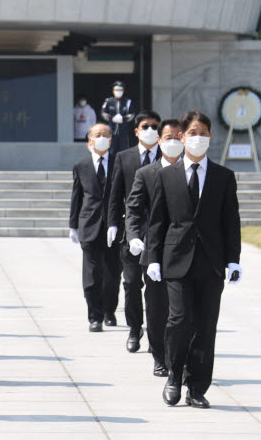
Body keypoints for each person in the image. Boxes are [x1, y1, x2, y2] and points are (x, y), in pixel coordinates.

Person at [146, 110, 242, 409]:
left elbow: (231, 221)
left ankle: (197, 387)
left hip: (211, 263)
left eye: (203, 132)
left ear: (210, 137)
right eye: (192, 133)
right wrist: (153, 258)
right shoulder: (166, 175)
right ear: (182, 136)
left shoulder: (223, 176)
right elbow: (157, 221)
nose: (198, 138)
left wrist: (233, 260)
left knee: (205, 325)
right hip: (176, 261)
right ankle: (174, 375)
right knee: (179, 321)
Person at [123, 118, 183, 377]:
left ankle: (179, 358)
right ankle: (159, 356)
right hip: (155, 249)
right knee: (157, 307)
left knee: (180, 310)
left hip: (184, 251)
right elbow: (133, 208)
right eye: (167, 137)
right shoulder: (146, 173)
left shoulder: (194, 172)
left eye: (177, 137)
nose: (173, 142)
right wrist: (134, 235)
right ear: (159, 141)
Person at [106, 111, 162, 350]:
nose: (150, 130)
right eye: (145, 126)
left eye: (154, 126)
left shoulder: (169, 157)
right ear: (136, 131)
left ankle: (155, 333)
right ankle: (134, 328)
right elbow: (115, 194)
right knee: (130, 283)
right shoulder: (124, 157)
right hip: (133, 230)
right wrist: (112, 223)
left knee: (156, 288)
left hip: (160, 231)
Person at [69, 123, 121, 332]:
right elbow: (77, 197)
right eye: (98, 135)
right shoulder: (81, 166)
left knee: (113, 273)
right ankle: (94, 316)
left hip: (114, 226)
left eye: (106, 135)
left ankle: (109, 311)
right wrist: (73, 225)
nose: (102, 137)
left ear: (111, 140)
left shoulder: (119, 162)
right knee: (91, 274)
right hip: (89, 224)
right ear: (89, 140)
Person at [101, 81, 135, 152]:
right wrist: (112, 118)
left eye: (120, 90)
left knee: (124, 149)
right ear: (113, 91)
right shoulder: (108, 101)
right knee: (110, 149)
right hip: (111, 130)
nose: (118, 92)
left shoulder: (128, 101)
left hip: (123, 130)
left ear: (123, 91)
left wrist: (123, 119)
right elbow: (103, 113)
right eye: (116, 90)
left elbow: (132, 114)